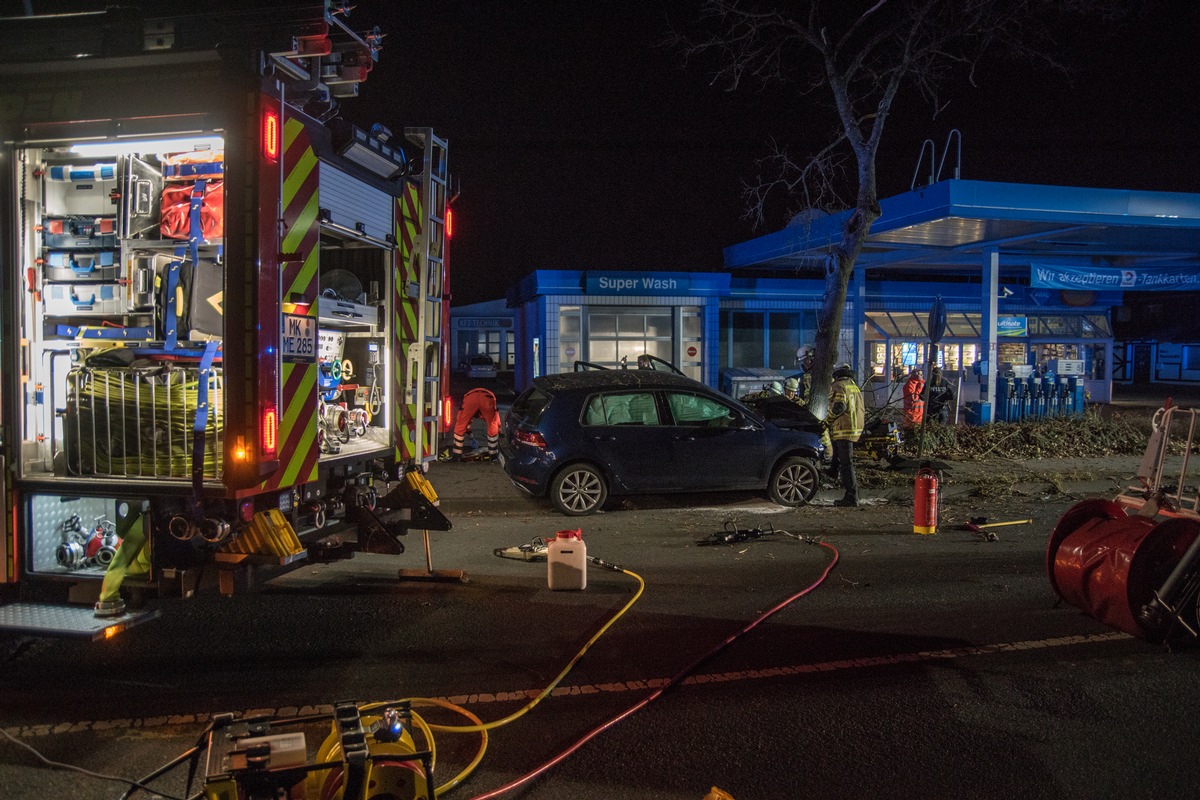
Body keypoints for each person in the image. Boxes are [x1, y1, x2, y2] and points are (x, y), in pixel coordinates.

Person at [826, 363, 865, 508]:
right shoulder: (853, 386)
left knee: (847, 464)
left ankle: (851, 497)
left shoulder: (838, 386)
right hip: (854, 428)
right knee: (838, 459)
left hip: (844, 429)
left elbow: (839, 407)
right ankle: (832, 473)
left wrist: (827, 421)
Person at [451, 387, 500, 461]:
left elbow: (464, 422)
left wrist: (471, 436)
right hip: (487, 398)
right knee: (492, 424)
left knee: (460, 425)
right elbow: (497, 422)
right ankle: (493, 457)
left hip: (471, 398)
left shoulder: (469, 405)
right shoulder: (488, 403)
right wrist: (500, 433)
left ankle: (456, 456)